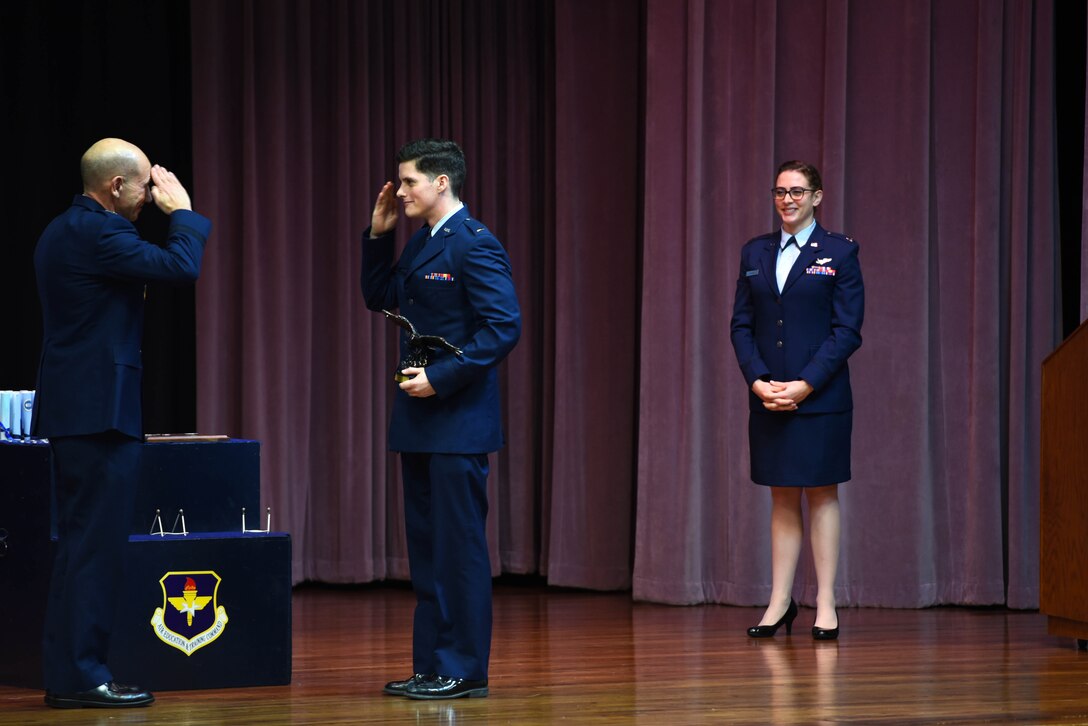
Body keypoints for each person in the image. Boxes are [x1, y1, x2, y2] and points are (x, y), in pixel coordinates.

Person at [32, 138, 211, 707]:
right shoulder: (102, 231)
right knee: (95, 548)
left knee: (80, 547)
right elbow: (180, 266)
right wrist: (181, 211)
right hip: (97, 413)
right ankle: (83, 676)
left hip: (75, 408)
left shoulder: (62, 228)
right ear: (115, 187)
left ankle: (69, 674)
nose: (147, 199)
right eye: (143, 189)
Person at [360, 138, 521, 699]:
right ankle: (432, 665)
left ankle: (464, 668)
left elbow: (504, 326)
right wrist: (379, 235)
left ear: (441, 183)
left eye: (408, 182)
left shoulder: (473, 244)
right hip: (420, 418)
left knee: (459, 550)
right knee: (427, 553)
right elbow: (380, 297)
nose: (400, 191)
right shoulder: (425, 241)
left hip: (456, 418)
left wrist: (445, 376)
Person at [729, 160, 864, 641]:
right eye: (781, 191)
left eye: (798, 192)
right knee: (782, 496)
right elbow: (741, 326)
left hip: (821, 397)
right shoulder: (755, 252)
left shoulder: (840, 253)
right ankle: (779, 603)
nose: (788, 199)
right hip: (769, 397)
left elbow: (847, 332)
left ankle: (825, 602)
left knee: (822, 493)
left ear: (817, 197)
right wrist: (757, 380)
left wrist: (805, 384)